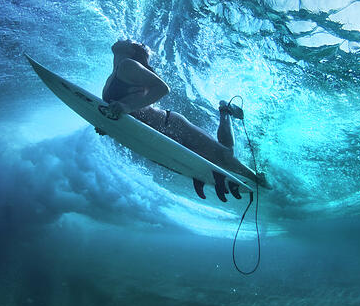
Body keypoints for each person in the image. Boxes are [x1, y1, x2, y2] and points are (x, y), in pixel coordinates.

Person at [101, 39, 265, 201]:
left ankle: (226, 111)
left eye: (128, 39)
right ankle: (252, 177)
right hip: (160, 135)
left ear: (132, 49)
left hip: (172, 126)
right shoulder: (112, 76)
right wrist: (109, 125)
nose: (121, 38)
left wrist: (127, 108)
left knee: (226, 155)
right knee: (221, 158)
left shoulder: (127, 66)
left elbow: (162, 88)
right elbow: (123, 111)